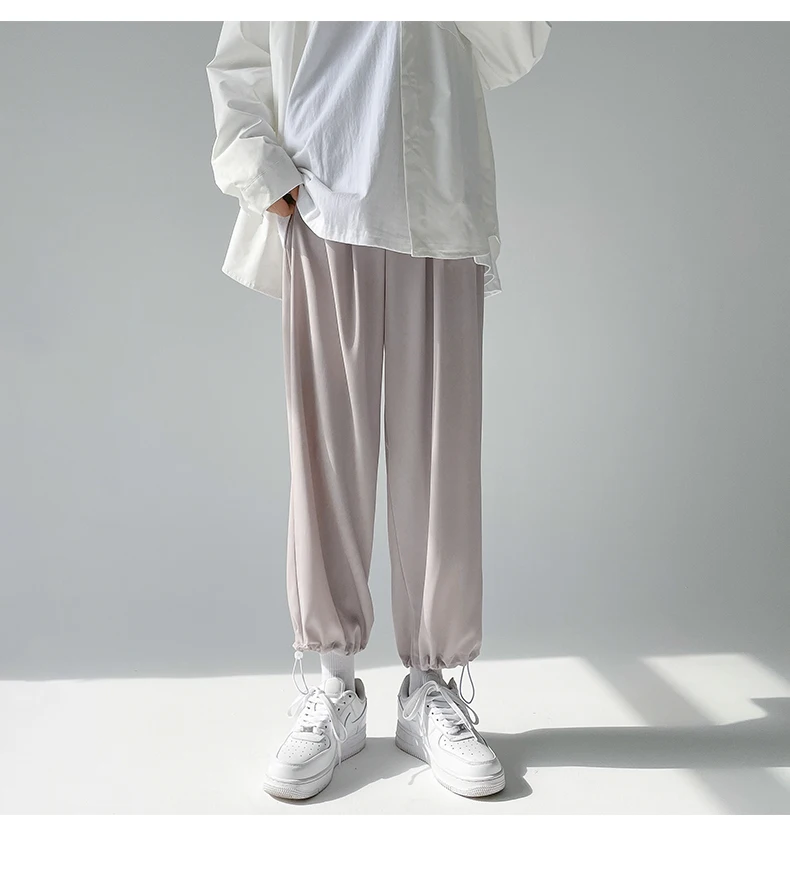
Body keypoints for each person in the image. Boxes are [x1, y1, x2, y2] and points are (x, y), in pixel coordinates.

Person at [206, 20, 551, 801]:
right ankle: (334, 686)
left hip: (440, 197)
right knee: (327, 457)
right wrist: (263, 169)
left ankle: (432, 688)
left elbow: (516, 45)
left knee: (442, 462)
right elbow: (242, 55)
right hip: (325, 193)